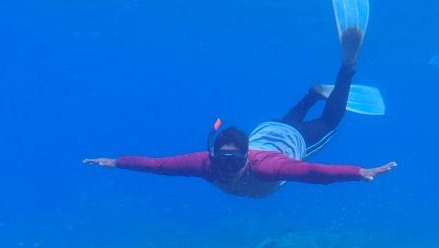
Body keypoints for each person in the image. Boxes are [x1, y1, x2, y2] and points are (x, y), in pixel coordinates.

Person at [83, 27, 396, 199]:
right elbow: (159, 166)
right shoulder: (206, 164)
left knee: (329, 121)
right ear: (214, 154)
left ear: (248, 157)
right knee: (286, 121)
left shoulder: (269, 167)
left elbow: (312, 174)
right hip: (268, 130)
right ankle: (312, 94)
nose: (225, 168)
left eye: (232, 161)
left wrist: (358, 172)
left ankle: (346, 69)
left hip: (290, 140)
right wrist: (116, 162)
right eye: (221, 160)